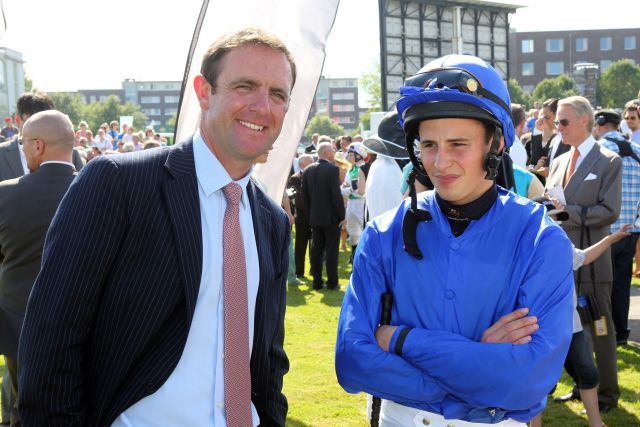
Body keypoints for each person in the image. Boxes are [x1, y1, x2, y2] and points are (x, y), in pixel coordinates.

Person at [18, 27, 296, 426]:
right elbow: (51, 346)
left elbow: (267, 360)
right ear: (204, 91)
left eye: (277, 94)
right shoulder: (117, 183)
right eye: (245, 86)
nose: (261, 106)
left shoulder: (270, 221)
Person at [335, 54, 574, 426]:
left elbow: (528, 381)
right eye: (428, 145)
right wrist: (479, 369)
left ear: (494, 143)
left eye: (458, 144)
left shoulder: (541, 239)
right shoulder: (383, 233)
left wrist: (400, 341)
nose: (440, 163)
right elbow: (352, 360)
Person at [545, 96, 622, 414]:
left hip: (592, 260)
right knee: (573, 327)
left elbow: (609, 210)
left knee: (600, 327)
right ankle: (583, 384)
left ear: (584, 121)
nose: (556, 127)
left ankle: (606, 393)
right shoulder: (561, 159)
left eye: (562, 121)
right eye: (556, 122)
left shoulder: (608, 160)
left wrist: (567, 212)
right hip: (563, 262)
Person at [0, 110, 78, 426]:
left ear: (38, 146)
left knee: (21, 401)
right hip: (78, 317)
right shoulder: (98, 190)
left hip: (18, 317)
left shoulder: (5, 193)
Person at [593, 109, 640, 346]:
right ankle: (621, 332)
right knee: (622, 285)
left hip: (604, 231)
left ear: (599, 125)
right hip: (631, 229)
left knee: (599, 286)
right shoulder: (637, 152)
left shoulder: (598, 152)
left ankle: (602, 333)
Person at [301, 142, 345, 290]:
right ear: (326, 152)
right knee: (331, 250)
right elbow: (336, 195)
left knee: (316, 250)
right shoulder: (332, 169)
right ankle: (332, 282)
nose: (334, 153)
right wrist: (342, 215)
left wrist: (310, 214)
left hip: (315, 217)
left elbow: (304, 196)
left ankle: (317, 281)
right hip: (331, 218)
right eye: (332, 151)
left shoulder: (307, 170)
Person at [287, 154, 313, 279]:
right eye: (310, 161)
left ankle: (314, 269)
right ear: (302, 163)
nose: (313, 163)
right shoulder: (295, 178)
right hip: (302, 217)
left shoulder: (314, 175)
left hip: (314, 216)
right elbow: (297, 198)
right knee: (301, 245)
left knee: (314, 244)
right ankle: (299, 271)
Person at [341, 142, 368, 263]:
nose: (348, 156)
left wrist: (349, 189)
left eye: (351, 154)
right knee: (353, 233)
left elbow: (361, 191)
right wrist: (350, 189)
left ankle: (363, 257)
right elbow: (343, 189)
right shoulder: (350, 170)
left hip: (361, 204)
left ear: (359, 155)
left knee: (363, 232)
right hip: (351, 204)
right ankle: (354, 256)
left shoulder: (365, 168)